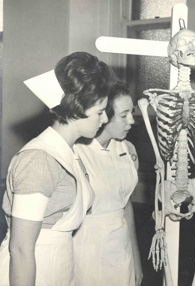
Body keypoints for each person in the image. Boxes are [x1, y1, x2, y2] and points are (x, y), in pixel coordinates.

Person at [0, 51, 115, 286]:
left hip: (58, 268)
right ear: (78, 109)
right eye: (100, 112)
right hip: (29, 273)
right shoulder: (39, 159)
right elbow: (21, 249)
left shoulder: (69, 152)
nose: (104, 120)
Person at [73, 81, 143, 285]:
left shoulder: (127, 149)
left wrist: (136, 258)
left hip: (121, 247)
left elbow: (125, 204)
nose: (131, 121)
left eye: (132, 112)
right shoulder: (78, 151)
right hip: (87, 247)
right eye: (123, 115)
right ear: (104, 115)